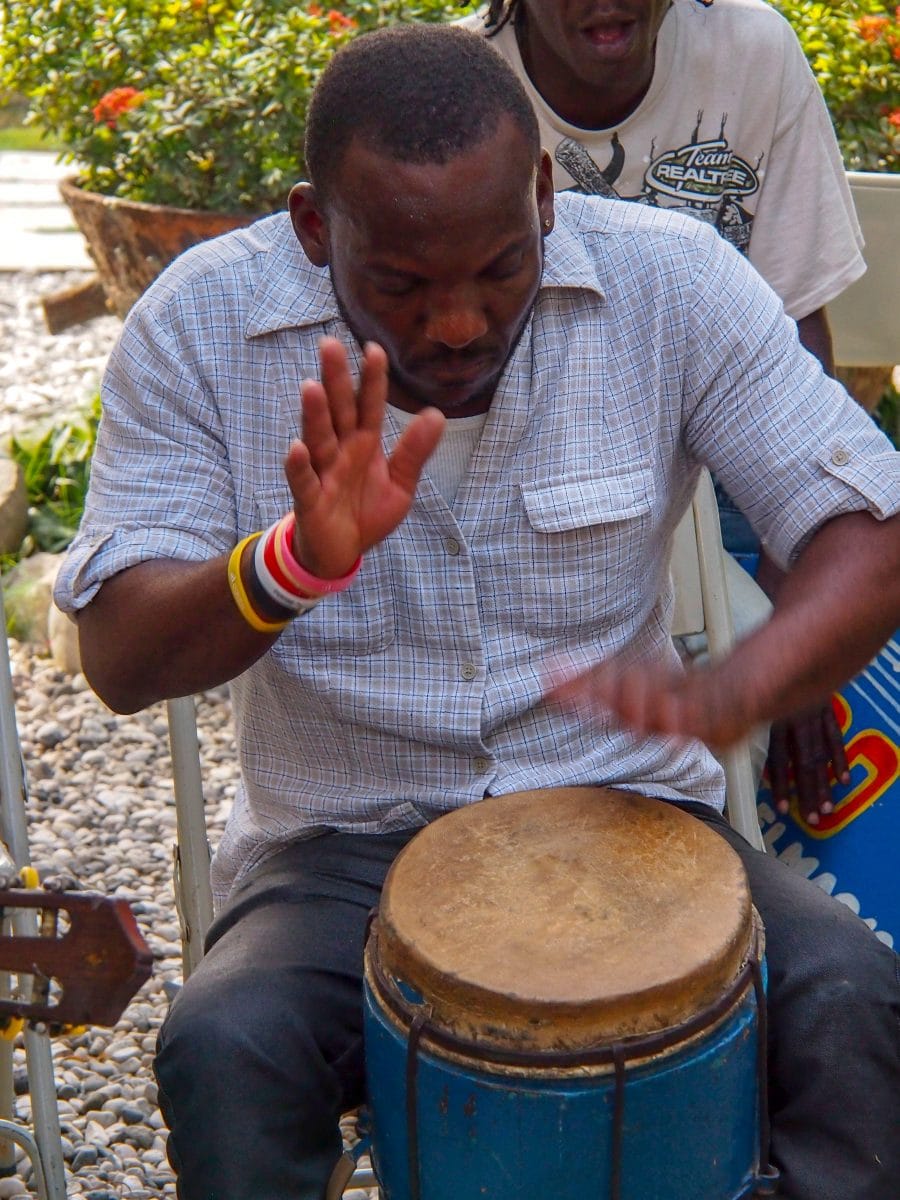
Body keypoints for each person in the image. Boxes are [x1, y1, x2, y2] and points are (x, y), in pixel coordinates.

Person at [54, 24, 900, 1200]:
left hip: (633, 822)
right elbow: (118, 653)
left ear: (546, 194)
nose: (457, 322)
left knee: (854, 1001)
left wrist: (746, 685)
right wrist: (290, 565)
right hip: (338, 854)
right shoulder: (204, 325)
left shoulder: (672, 283)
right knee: (224, 1047)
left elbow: (871, 528)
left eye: (501, 268)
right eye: (402, 284)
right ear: (313, 230)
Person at [465, 0, 868, 821]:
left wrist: (788, 648)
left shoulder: (750, 51)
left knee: (799, 708)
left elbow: (798, 340)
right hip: (542, 473)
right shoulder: (460, 88)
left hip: (735, 463)